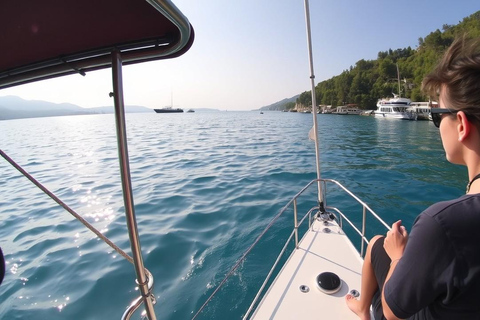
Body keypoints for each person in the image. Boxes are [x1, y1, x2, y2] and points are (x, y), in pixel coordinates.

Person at [345, 35, 480, 320]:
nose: (436, 123)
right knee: (377, 244)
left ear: (461, 126)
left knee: (379, 244)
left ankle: (362, 308)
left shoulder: (442, 225)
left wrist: (398, 257)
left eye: (437, 115)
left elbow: (394, 312)